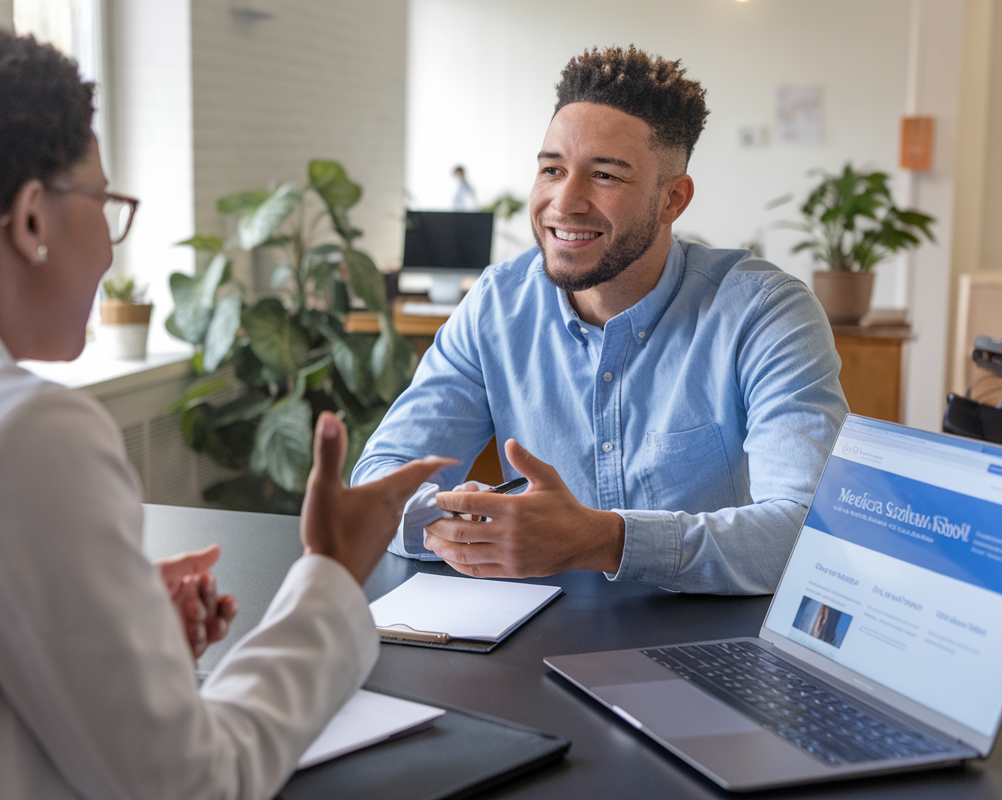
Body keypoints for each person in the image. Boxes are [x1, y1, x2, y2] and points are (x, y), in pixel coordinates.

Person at [0, 23, 449, 799]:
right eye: (103, 202)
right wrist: (333, 575)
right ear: (32, 218)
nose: (108, 249)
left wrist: (99, 620)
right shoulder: (20, 433)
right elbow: (194, 783)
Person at [351, 46, 848, 595]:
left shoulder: (764, 311)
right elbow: (381, 481)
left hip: (710, 644)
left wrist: (605, 541)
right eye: (551, 169)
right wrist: (466, 523)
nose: (565, 202)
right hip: (534, 639)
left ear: (672, 200)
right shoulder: (496, 304)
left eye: (605, 176)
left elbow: (809, 532)